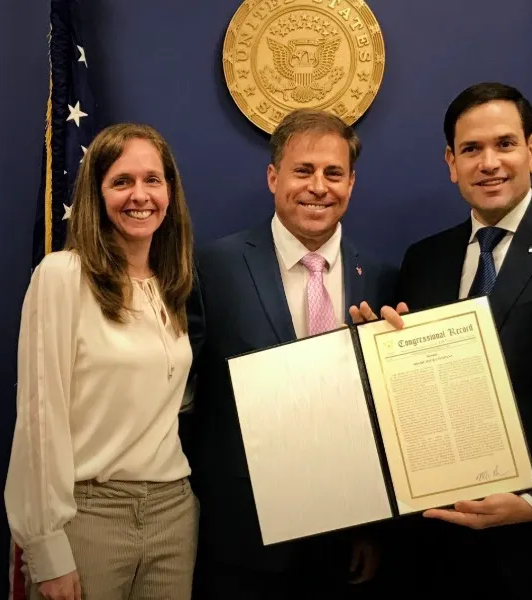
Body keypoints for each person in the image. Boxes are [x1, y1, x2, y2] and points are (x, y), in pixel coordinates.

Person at [353, 82, 532, 599]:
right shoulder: (424, 260)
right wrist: (377, 350)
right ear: (451, 162)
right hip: (439, 543)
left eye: (504, 144)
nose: (489, 162)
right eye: (471, 149)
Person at [186, 108, 398, 598]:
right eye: (303, 171)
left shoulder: (385, 277)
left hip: (344, 541)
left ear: (351, 183)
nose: (318, 187)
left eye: (333, 173)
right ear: (273, 176)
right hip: (240, 541)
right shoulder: (212, 267)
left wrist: (370, 527)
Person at [4, 123, 199, 600]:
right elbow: (39, 419)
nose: (140, 195)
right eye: (121, 181)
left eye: (153, 180)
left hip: (173, 513)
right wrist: (46, 545)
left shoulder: (173, 285)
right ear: (97, 193)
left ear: (170, 192)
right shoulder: (61, 277)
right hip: (89, 513)